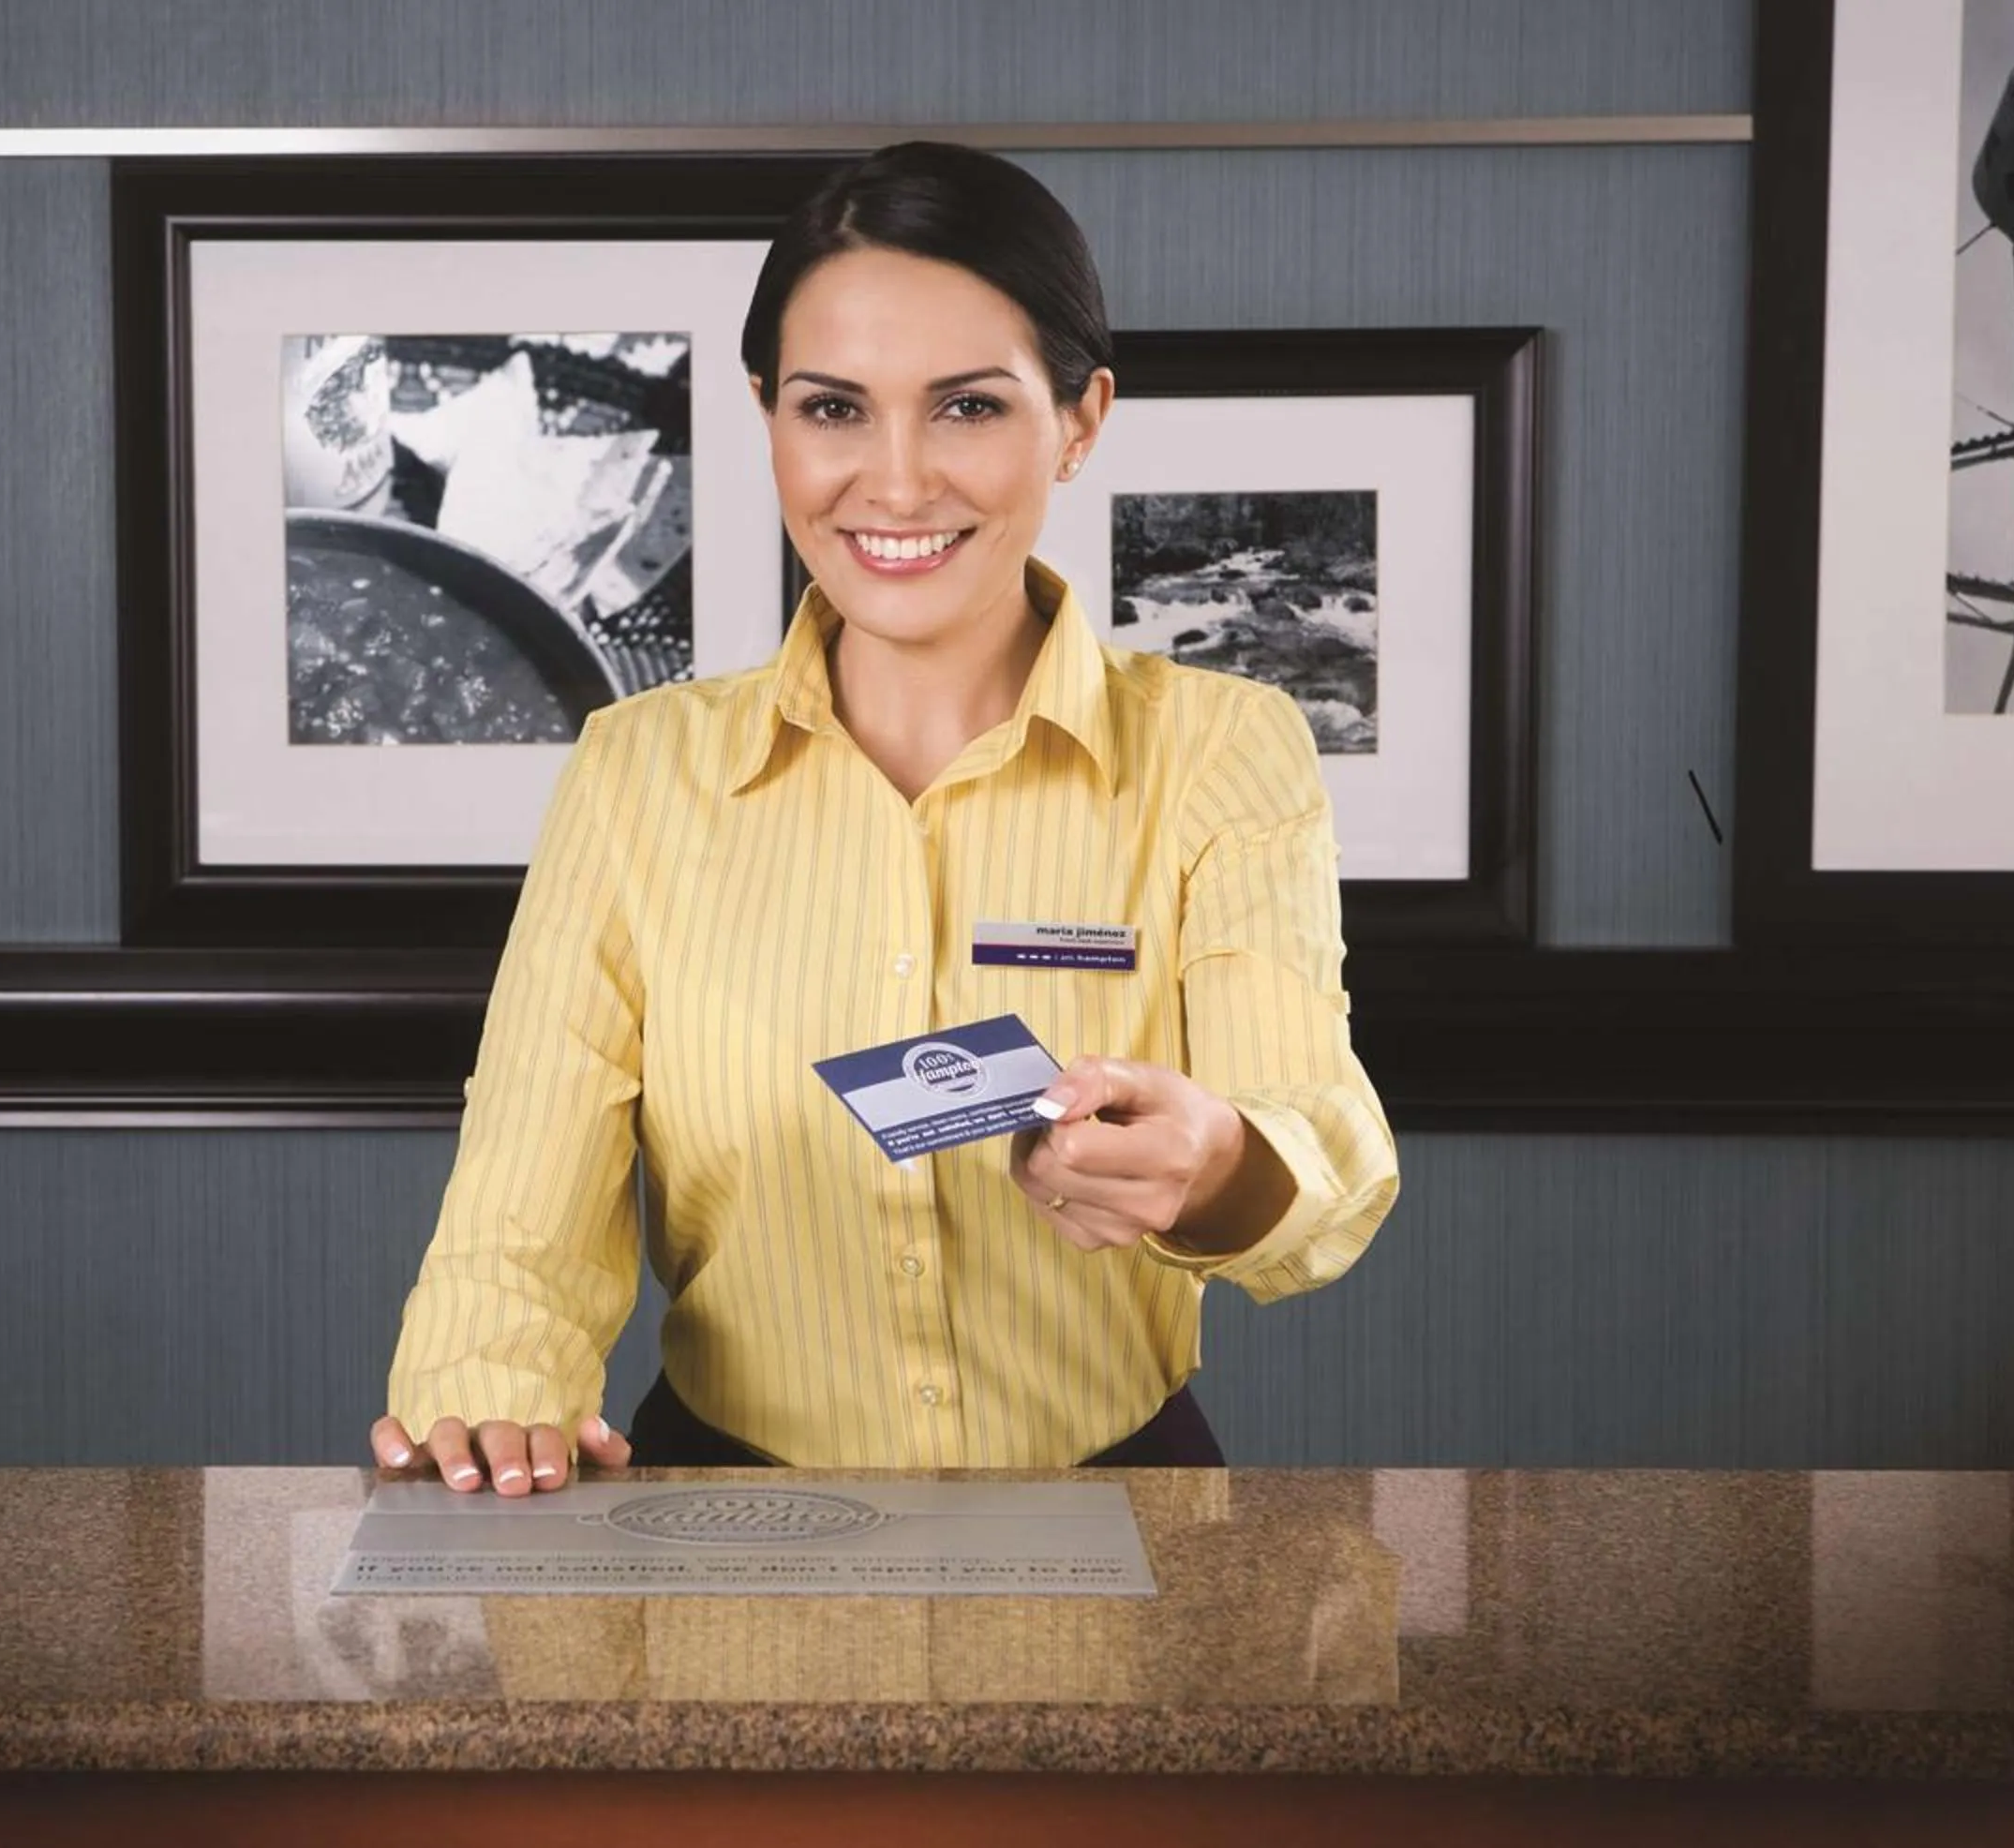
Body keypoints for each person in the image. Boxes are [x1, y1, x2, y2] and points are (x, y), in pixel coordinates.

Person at [371, 142, 1399, 1494]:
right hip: (724, 1519)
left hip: (1124, 1514)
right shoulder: (636, 772)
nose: (897, 482)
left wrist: (1218, 1163)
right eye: (834, 409)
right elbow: (525, 1192)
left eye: (968, 408)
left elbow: (1311, 1130)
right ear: (768, 414)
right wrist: (488, 1402)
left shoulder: (1224, 750)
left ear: (1081, 419)